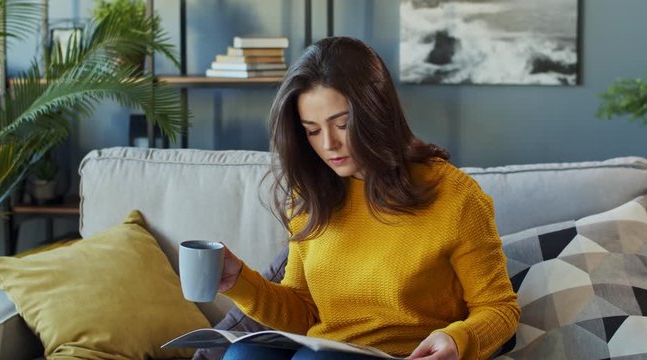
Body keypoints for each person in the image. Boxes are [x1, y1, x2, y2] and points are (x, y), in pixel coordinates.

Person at [217, 36, 520, 360]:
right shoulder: (310, 196)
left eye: (342, 124)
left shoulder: (454, 196)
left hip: (405, 355)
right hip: (325, 351)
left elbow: (499, 308)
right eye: (313, 130)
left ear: (376, 112)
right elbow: (303, 315)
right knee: (243, 354)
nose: (328, 144)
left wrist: (458, 340)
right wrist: (239, 282)